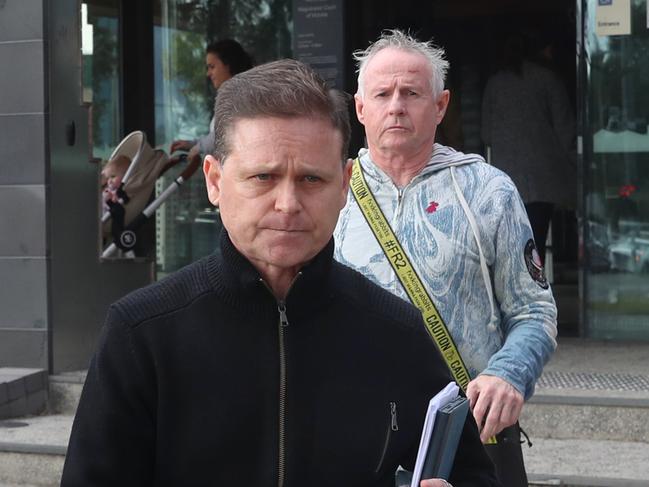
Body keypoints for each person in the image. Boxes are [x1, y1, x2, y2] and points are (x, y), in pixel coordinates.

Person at [61, 59, 498, 487]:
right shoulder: (142, 335)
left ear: (345, 184)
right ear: (214, 181)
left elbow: (471, 475)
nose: (287, 203)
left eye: (311, 179)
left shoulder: (396, 331)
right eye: (263, 177)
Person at [334, 30, 558, 487]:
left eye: (411, 93)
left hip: (473, 435)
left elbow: (534, 311)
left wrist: (508, 375)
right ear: (361, 108)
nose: (396, 105)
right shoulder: (329, 193)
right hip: (358, 437)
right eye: (382, 93)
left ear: (440, 106)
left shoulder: (488, 191)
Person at [481, 31, 576, 262]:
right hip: (544, 174)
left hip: (507, 176)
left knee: (512, 243)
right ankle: (538, 285)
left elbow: (486, 134)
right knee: (538, 240)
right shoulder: (548, 79)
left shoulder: (494, 84)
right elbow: (566, 129)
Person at [170, 38, 253, 161]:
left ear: (229, 64)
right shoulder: (231, 95)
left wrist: (198, 148)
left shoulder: (243, 96)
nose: (208, 74)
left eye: (212, 67)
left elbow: (225, 133)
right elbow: (216, 135)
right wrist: (193, 144)